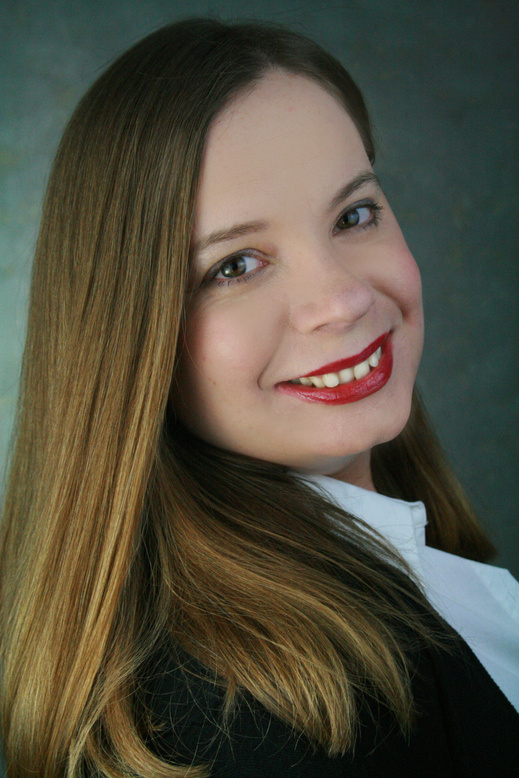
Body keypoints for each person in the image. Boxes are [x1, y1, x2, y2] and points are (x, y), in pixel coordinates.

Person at [0, 17, 518, 778]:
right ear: (130, 335)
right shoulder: (270, 728)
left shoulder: (396, 588)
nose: (341, 298)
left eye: (353, 215)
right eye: (236, 265)